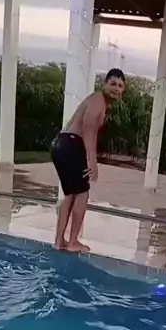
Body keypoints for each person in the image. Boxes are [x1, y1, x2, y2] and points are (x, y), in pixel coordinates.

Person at [52, 68, 126, 252]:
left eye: (120, 86)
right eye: (113, 84)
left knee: (71, 194)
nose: (116, 88)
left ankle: (59, 241)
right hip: (71, 144)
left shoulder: (99, 101)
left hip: (61, 144)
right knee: (82, 193)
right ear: (104, 84)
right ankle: (73, 242)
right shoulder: (98, 99)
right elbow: (88, 128)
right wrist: (92, 160)